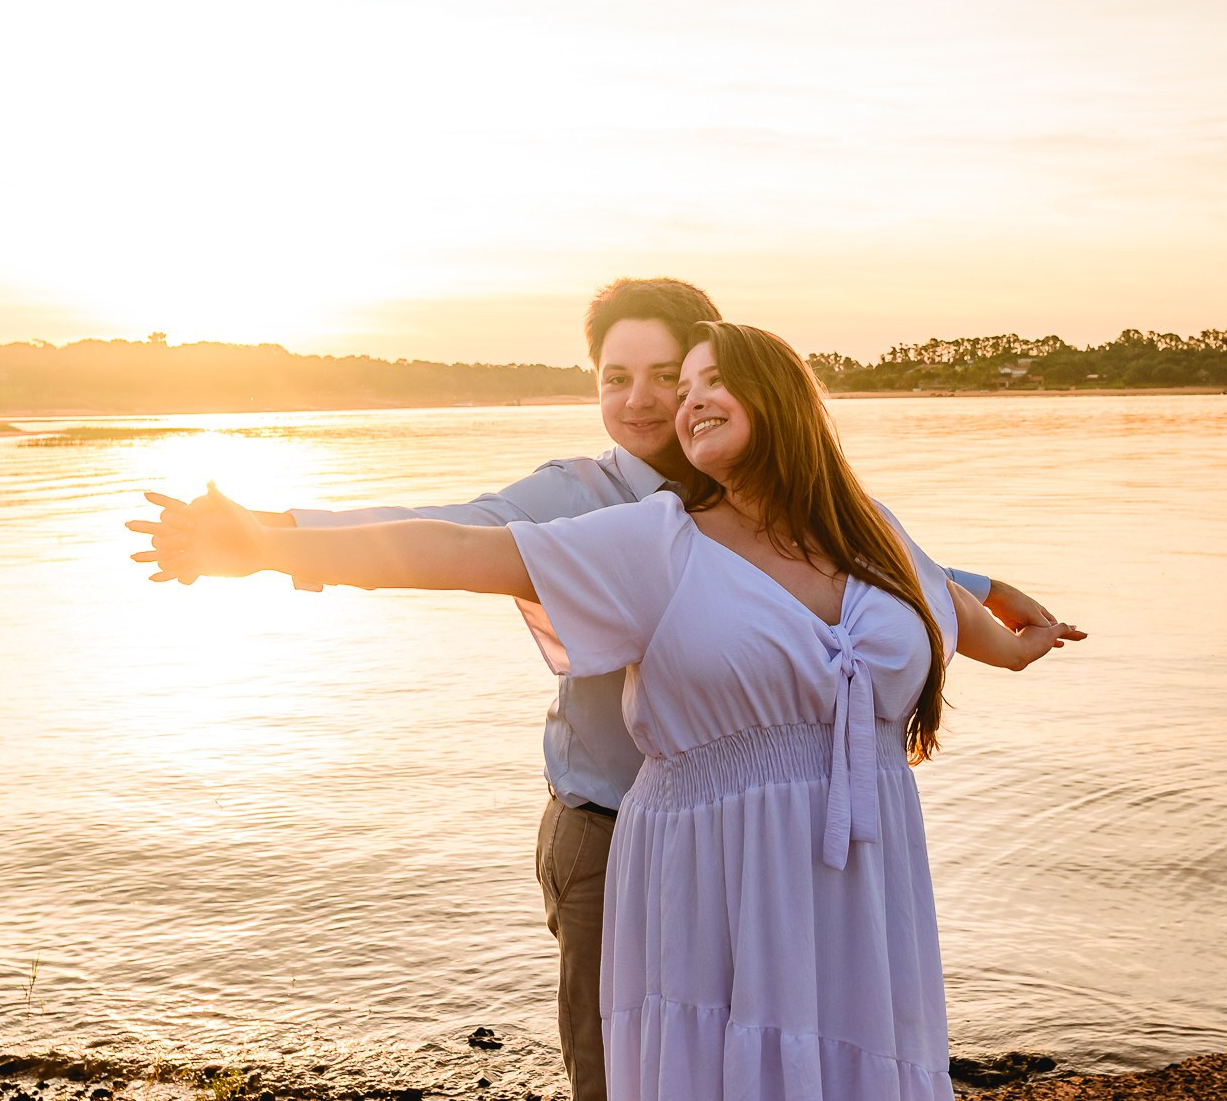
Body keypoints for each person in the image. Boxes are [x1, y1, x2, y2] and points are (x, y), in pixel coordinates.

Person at [140, 279, 1066, 1101]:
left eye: (684, 375)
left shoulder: (858, 525)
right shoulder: (613, 518)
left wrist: (994, 617)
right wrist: (263, 537)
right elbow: (451, 542)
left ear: (769, 387)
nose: (658, 399)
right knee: (643, 1070)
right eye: (620, 378)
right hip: (642, 842)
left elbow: (885, 586)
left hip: (837, 865)